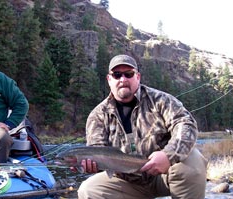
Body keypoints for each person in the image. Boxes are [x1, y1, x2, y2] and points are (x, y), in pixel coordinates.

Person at [77, 54, 208, 198]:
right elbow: (97, 151)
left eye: (129, 74)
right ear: (109, 79)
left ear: (137, 77)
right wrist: (89, 166)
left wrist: (168, 155)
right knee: (88, 189)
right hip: (126, 182)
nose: (123, 79)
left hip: (164, 176)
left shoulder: (161, 100)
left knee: (193, 159)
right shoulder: (98, 116)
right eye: (117, 75)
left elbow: (186, 124)